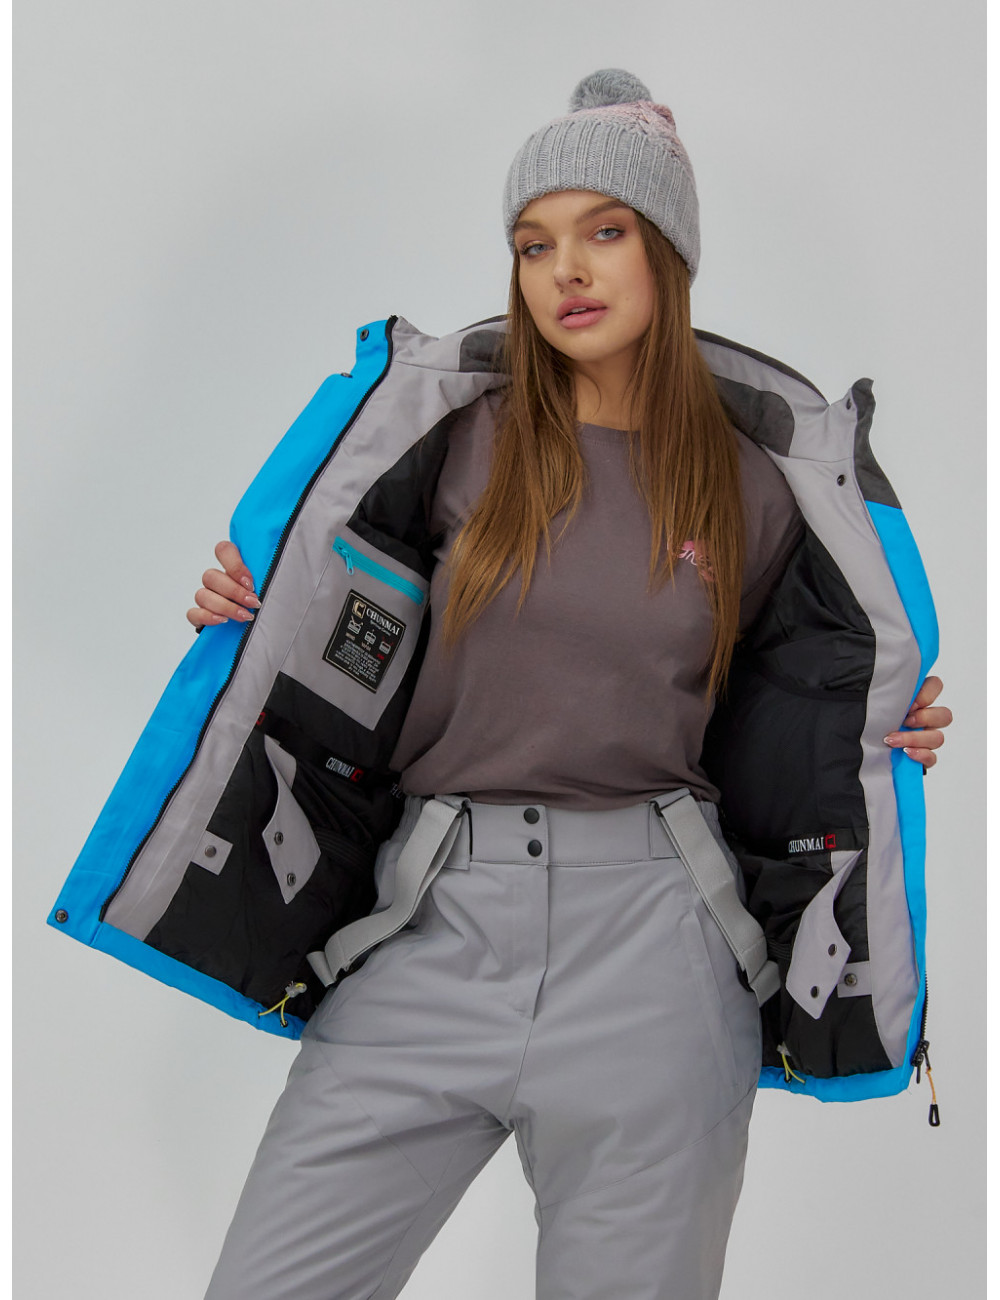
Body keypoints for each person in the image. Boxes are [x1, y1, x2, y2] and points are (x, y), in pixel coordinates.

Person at [176, 69, 950, 1299]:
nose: (565, 271)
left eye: (604, 232)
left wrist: (883, 731)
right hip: (431, 925)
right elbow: (341, 620)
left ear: (668, 253)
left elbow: (797, 703)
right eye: (534, 244)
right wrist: (252, 609)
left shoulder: (758, 486)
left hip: (656, 953)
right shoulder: (452, 440)